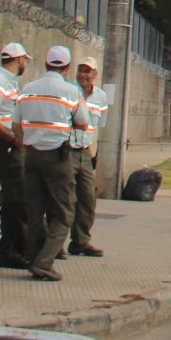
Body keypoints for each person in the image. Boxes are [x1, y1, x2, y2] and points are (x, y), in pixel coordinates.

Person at [14, 45, 86, 281]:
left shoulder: (28, 88)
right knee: (65, 212)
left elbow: (16, 124)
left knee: (35, 210)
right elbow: (83, 122)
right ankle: (44, 263)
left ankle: (34, 258)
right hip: (58, 156)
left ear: (46, 64)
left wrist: (25, 144)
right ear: (67, 67)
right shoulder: (71, 92)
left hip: (31, 155)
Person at [0, 43, 31, 270]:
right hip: (4, 145)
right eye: (25, 60)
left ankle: (10, 251)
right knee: (17, 200)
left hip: (11, 145)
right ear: (19, 60)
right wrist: (11, 139)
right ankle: (15, 251)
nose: (26, 64)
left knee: (16, 200)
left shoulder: (9, 82)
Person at [69, 56, 109, 258]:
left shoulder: (101, 97)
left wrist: (95, 154)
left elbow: (98, 128)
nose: (83, 75)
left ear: (95, 74)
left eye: (87, 71)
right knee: (64, 198)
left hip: (85, 151)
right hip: (66, 149)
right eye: (80, 70)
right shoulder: (69, 91)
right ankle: (54, 243)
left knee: (87, 196)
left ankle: (81, 241)